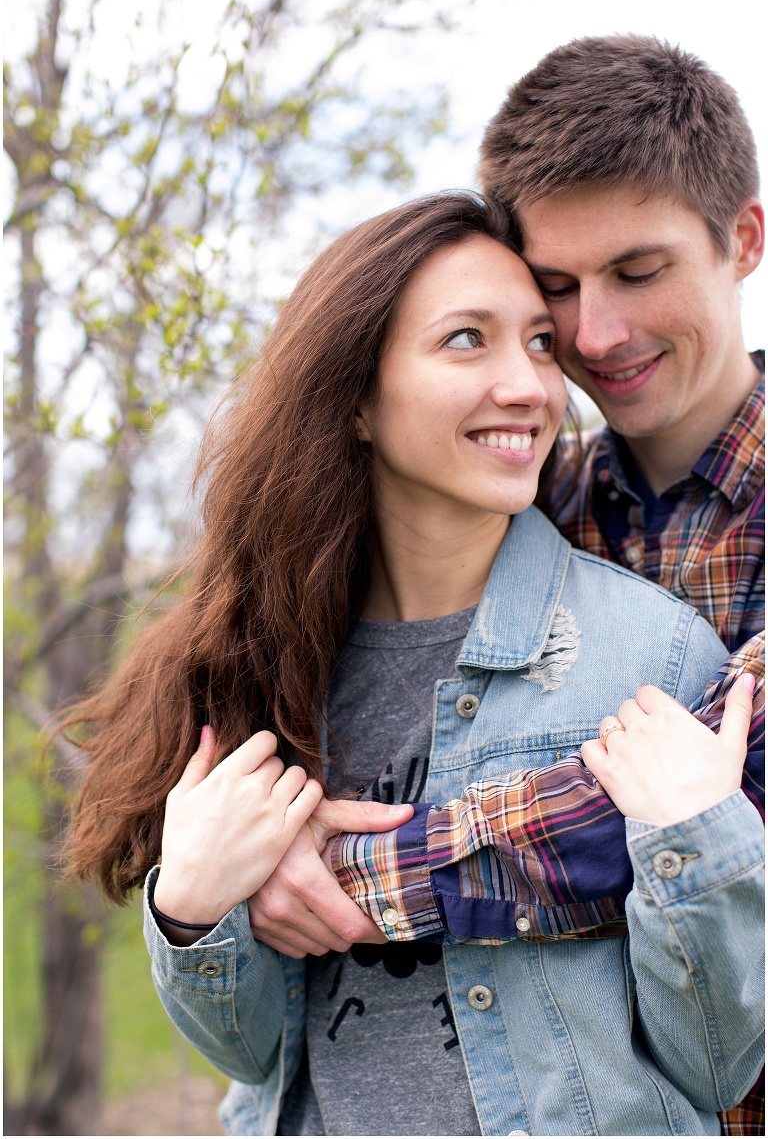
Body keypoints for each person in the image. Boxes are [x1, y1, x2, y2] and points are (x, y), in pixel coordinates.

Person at [67, 192, 763, 1136]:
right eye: (467, 340)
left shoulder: (656, 655)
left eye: (538, 344)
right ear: (355, 395)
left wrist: (697, 840)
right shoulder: (266, 665)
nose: (528, 385)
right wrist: (189, 907)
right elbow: (250, 1051)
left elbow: (722, 1061)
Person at [290, 37, 765, 1136]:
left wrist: (335, 876)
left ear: (743, 239)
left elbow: (706, 800)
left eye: (640, 272)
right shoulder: (524, 517)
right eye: (559, 292)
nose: (598, 335)